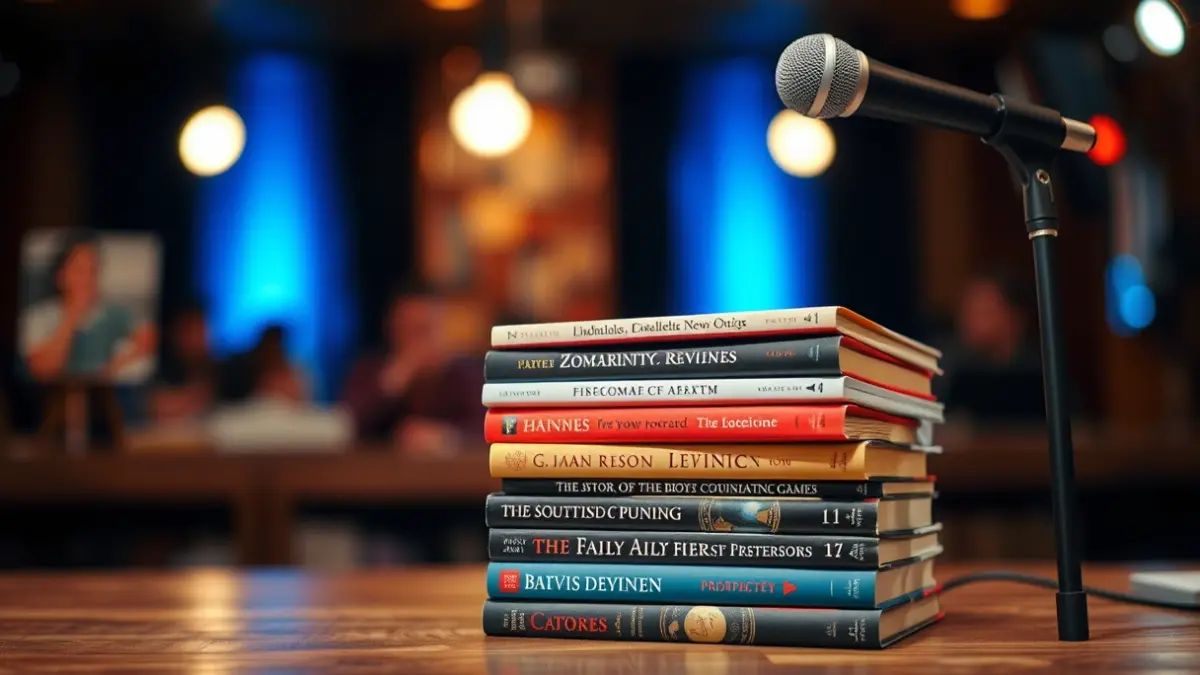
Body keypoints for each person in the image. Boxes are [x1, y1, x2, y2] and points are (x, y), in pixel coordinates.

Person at [340, 281, 483, 452]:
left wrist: (446, 437)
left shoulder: (467, 375)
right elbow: (347, 425)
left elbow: (493, 427)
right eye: (409, 331)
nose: (418, 343)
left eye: (425, 330)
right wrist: (392, 381)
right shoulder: (370, 371)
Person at [22, 229, 157, 383]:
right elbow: (42, 369)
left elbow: (149, 339)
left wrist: (114, 367)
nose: (87, 280)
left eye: (92, 271)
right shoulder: (40, 316)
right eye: (79, 271)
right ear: (61, 276)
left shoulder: (113, 312)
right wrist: (72, 317)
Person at [933, 270, 1048, 423]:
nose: (968, 321)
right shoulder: (943, 366)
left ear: (1015, 319)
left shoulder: (1043, 373)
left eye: (984, 312)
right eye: (967, 311)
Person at [150, 302, 218, 421]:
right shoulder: (159, 367)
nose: (197, 337)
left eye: (201, 329)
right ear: (175, 333)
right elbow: (154, 406)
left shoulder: (215, 366)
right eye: (190, 331)